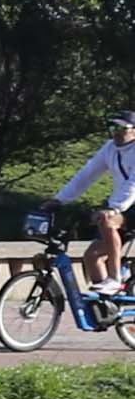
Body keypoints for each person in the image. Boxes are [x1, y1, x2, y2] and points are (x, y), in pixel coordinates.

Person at [58, 114, 135, 292]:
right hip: (124, 207)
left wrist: (114, 207)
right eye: (113, 128)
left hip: (125, 205)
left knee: (108, 221)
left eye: (122, 129)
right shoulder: (110, 148)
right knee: (92, 256)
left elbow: (133, 184)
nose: (116, 133)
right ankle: (106, 310)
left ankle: (115, 278)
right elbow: (87, 174)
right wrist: (59, 199)